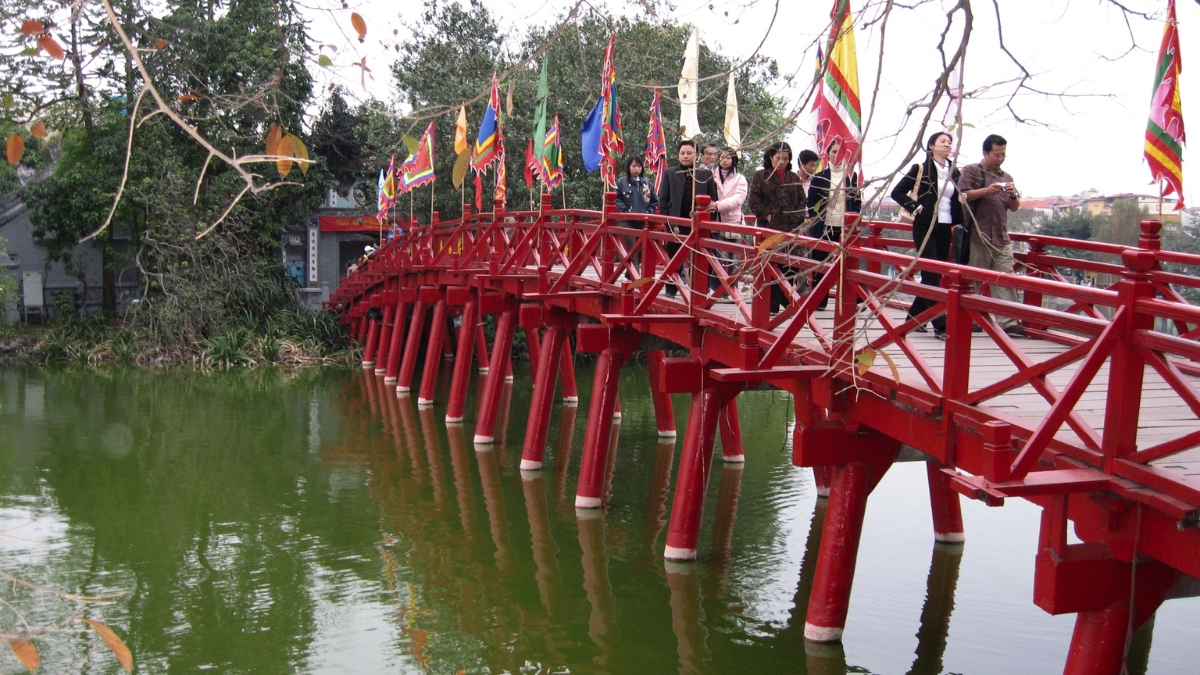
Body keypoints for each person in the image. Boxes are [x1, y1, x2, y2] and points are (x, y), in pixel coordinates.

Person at [891, 131, 963, 338]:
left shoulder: (954, 171)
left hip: (945, 226)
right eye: (943, 141)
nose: (947, 144)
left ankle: (914, 318)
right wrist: (916, 207)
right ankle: (940, 324)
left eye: (950, 141)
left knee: (936, 274)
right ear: (931, 146)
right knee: (931, 271)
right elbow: (897, 192)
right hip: (925, 226)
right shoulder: (921, 169)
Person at [957, 134, 1025, 337]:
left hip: (1000, 237)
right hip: (977, 235)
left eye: (1003, 155)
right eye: (997, 155)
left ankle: (1009, 321)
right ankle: (973, 317)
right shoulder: (971, 171)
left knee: (1004, 279)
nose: (1000, 158)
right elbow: (963, 196)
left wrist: (1013, 194)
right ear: (985, 153)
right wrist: (987, 190)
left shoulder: (1007, 177)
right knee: (973, 279)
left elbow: (1013, 208)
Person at [748, 141, 807, 313]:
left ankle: (788, 301)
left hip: (791, 229)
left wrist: (796, 217)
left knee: (789, 267)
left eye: (785, 158)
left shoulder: (794, 178)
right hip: (770, 228)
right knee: (771, 266)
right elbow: (753, 201)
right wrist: (767, 214)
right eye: (778, 158)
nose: (782, 161)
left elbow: (802, 201)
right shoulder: (761, 176)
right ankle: (772, 305)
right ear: (770, 158)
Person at [658, 139, 719, 297]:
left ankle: (699, 291)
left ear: (696, 155)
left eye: (689, 153)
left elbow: (713, 199)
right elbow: (663, 199)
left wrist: (711, 222)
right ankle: (671, 288)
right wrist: (666, 219)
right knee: (674, 256)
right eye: (682, 153)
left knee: (700, 257)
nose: (685, 156)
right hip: (677, 222)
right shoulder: (670, 173)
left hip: (698, 222)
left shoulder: (705, 174)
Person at [807, 137, 862, 310]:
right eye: (833, 151)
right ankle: (819, 300)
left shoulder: (852, 177)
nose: (837, 155)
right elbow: (811, 203)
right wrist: (817, 218)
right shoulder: (819, 177)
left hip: (845, 228)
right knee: (821, 263)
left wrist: (853, 217)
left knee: (847, 265)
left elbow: (857, 201)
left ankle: (850, 300)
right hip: (824, 226)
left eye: (841, 151)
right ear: (828, 154)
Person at [711, 147, 748, 293]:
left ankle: (733, 290)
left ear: (734, 160)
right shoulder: (712, 176)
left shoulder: (740, 179)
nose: (724, 160)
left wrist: (717, 205)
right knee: (719, 258)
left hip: (734, 221)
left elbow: (739, 199)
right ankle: (718, 288)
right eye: (722, 157)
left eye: (728, 157)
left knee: (734, 260)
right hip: (717, 221)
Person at [615, 155, 658, 276]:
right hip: (627, 220)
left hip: (643, 221)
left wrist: (649, 212)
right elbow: (616, 199)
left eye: (639, 166)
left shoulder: (647, 183)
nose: (636, 169)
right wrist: (626, 211)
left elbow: (654, 201)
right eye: (634, 166)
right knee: (632, 247)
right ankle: (636, 277)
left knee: (640, 249)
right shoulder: (621, 182)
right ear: (628, 167)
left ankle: (630, 273)